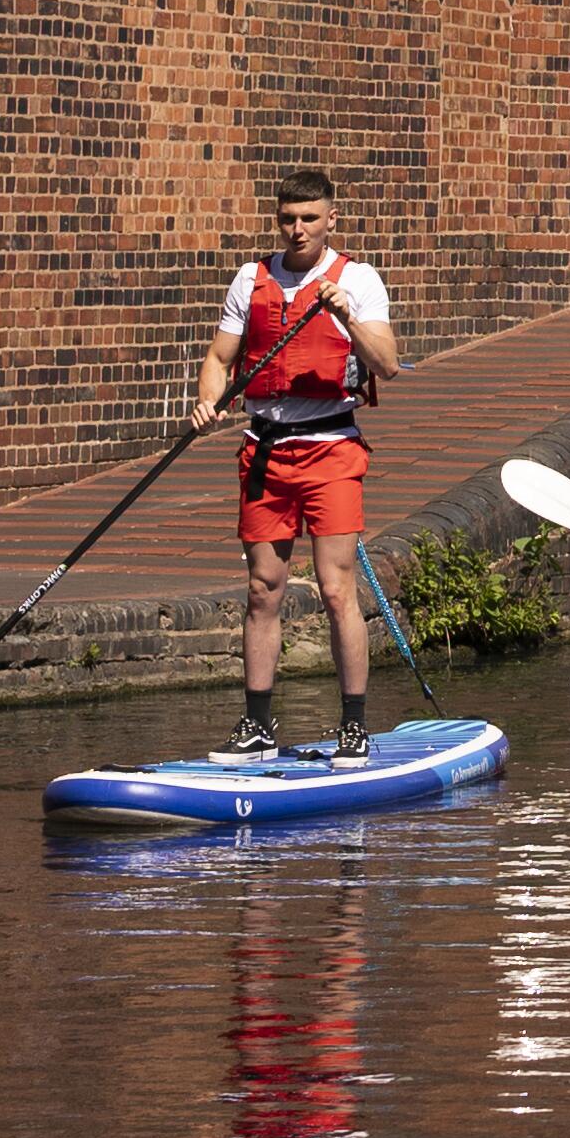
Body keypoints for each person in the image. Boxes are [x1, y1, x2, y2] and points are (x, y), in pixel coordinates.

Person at [194, 169, 400, 759]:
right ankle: (257, 725)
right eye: (288, 219)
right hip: (265, 452)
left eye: (310, 218)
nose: (298, 229)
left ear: (331, 219)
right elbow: (219, 355)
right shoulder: (250, 278)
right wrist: (208, 396)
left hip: (331, 448)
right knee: (263, 588)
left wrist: (346, 316)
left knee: (337, 590)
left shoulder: (357, 279)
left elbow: (386, 363)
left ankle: (353, 724)